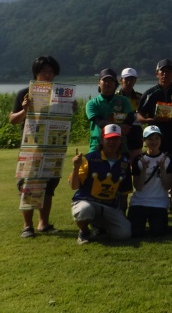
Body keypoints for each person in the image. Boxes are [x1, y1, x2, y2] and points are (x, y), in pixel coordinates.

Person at [10, 55, 72, 238]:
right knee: (29, 186)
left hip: (53, 147)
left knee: (49, 186)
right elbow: (13, 120)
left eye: (51, 71)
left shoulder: (60, 93)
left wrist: (70, 108)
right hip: (32, 147)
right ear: (36, 73)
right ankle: (27, 226)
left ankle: (43, 224)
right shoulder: (25, 93)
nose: (48, 74)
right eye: (44, 71)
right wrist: (25, 109)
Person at [69, 124, 133, 244]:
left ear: (121, 141)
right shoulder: (89, 158)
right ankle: (84, 231)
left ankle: (100, 227)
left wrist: (122, 215)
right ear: (102, 140)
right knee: (84, 210)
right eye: (109, 139)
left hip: (109, 206)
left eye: (116, 139)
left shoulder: (124, 162)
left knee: (124, 234)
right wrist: (76, 167)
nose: (112, 142)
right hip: (87, 201)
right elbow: (74, 186)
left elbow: (124, 192)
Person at [137, 59, 172, 160]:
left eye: (168, 71)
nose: (165, 74)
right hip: (155, 139)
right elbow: (139, 114)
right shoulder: (149, 94)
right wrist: (149, 120)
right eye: (162, 71)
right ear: (157, 73)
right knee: (156, 167)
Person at [128, 125, 172, 237]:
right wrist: (144, 169)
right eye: (150, 139)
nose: (154, 142)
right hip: (139, 201)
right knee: (135, 233)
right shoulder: (138, 160)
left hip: (159, 202)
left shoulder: (168, 159)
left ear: (161, 140)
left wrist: (162, 168)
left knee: (158, 232)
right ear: (144, 141)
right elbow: (138, 187)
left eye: (157, 138)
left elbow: (167, 186)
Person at [85, 68, 134, 153]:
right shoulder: (92, 103)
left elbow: (130, 117)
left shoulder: (124, 100)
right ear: (99, 83)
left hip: (120, 144)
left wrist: (125, 127)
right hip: (98, 144)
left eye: (111, 81)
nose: (108, 83)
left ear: (116, 84)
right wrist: (119, 128)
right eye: (105, 80)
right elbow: (99, 122)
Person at [117, 67, 144, 157]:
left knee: (136, 162)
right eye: (126, 79)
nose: (129, 82)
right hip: (119, 131)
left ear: (135, 80)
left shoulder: (140, 97)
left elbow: (145, 115)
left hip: (135, 133)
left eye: (132, 79)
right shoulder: (115, 96)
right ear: (121, 80)